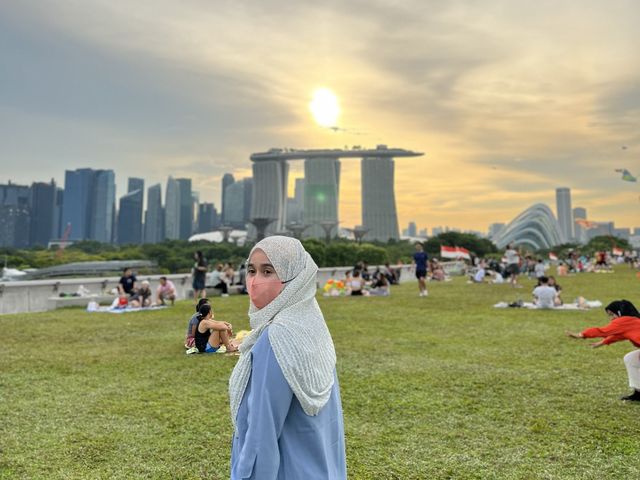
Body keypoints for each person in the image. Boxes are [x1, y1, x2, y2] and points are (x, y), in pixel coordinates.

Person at [229, 236, 346, 479]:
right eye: (251, 270)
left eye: (268, 271)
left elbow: (262, 434)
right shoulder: (308, 319)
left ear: (294, 278)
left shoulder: (277, 336)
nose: (255, 281)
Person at [566, 300, 640, 401]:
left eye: (612, 314)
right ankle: (638, 392)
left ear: (619, 312)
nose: (611, 318)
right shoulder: (632, 321)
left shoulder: (625, 320)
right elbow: (619, 335)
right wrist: (603, 342)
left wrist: (582, 334)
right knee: (630, 358)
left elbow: (602, 331)